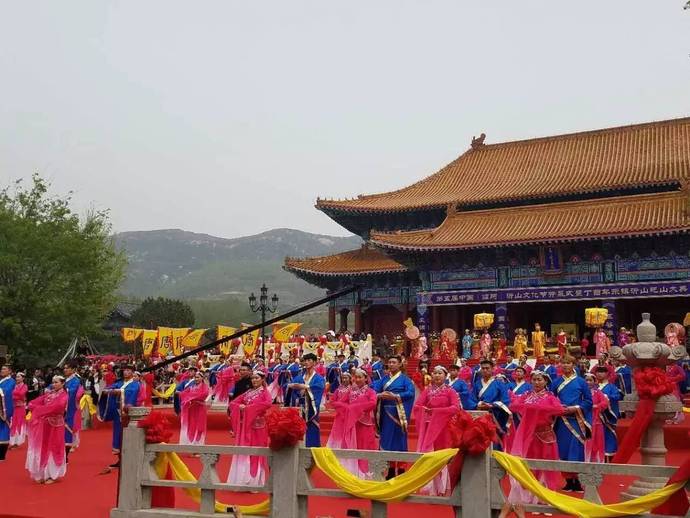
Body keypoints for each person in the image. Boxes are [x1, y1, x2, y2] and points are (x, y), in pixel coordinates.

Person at [499, 371, 563, 518]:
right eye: (534, 379)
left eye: (540, 379)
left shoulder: (550, 397)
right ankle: (530, 500)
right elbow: (514, 406)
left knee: (545, 468)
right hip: (528, 436)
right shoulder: (526, 395)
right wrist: (527, 407)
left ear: (546, 381)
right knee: (530, 468)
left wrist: (537, 408)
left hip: (545, 435)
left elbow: (559, 409)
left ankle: (545, 501)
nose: (536, 382)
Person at [414, 366, 461, 495]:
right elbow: (418, 405)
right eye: (434, 373)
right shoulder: (427, 391)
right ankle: (434, 487)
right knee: (432, 455)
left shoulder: (450, 391)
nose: (437, 375)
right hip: (430, 428)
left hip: (445, 428)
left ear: (445, 376)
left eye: (440, 373)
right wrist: (425, 411)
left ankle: (446, 487)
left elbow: (455, 408)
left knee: (444, 455)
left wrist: (436, 412)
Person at [551, 355, 592, 492]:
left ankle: (578, 482)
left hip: (577, 420)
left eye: (568, 363)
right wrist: (558, 408)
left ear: (573, 364)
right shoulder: (556, 382)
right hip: (561, 421)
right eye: (563, 362)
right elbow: (551, 400)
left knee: (576, 450)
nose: (565, 365)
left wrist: (575, 408)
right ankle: (568, 481)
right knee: (563, 450)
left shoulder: (581, 382)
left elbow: (588, 401)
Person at [227, 371, 272, 486]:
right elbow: (233, 403)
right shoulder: (248, 392)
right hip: (246, 427)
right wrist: (240, 407)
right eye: (252, 378)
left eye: (256, 378)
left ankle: (255, 482)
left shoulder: (265, 393)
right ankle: (242, 480)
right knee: (245, 451)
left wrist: (247, 409)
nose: (254, 380)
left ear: (262, 379)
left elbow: (267, 404)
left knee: (256, 453)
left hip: (258, 428)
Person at [375, 356, 415, 477]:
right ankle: (391, 469)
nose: (391, 364)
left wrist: (395, 396)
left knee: (400, 441)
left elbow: (410, 393)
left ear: (399, 365)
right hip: (386, 415)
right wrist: (379, 394)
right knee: (387, 440)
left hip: (399, 416)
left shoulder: (405, 380)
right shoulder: (383, 379)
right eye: (390, 362)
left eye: (394, 362)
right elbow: (374, 389)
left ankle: (402, 469)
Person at [98, 365, 143, 469]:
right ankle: (120, 459)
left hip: (128, 414)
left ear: (132, 372)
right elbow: (108, 389)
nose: (126, 372)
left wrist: (119, 391)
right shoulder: (120, 383)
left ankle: (130, 459)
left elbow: (131, 392)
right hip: (118, 413)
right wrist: (109, 391)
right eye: (125, 370)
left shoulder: (135, 384)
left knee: (128, 435)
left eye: (128, 370)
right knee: (118, 435)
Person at [25, 375, 69, 483]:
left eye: (56, 382)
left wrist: (38, 409)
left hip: (56, 426)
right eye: (53, 382)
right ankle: (43, 473)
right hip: (44, 425)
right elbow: (33, 402)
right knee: (43, 447)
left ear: (62, 383)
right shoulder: (49, 394)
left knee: (54, 447)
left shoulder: (64, 396)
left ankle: (51, 475)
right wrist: (35, 406)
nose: (54, 384)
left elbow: (56, 407)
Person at [285, 353, 325, 447]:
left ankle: (311, 455)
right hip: (299, 408)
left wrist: (306, 387)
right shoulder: (300, 377)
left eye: (309, 360)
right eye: (305, 361)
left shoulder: (318, 378)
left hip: (311, 409)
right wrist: (292, 387)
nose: (306, 362)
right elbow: (289, 386)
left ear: (315, 362)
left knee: (311, 431)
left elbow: (318, 389)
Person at [474, 359, 511, 450]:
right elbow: (471, 399)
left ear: (492, 369)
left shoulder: (499, 383)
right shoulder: (477, 383)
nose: (485, 370)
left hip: (495, 415)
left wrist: (492, 405)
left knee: (494, 441)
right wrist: (478, 404)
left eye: (487, 368)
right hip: (480, 415)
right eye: (483, 368)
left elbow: (505, 400)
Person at [179, 371, 210, 446]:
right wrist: (183, 395)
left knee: (199, 427)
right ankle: (190, 443)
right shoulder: (191, 387)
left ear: (202, 378)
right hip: (191, 409)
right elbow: (183, 394)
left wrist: (191, 397)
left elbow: (204, 395)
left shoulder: (205, 387)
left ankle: (197, 444)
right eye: (195, 377)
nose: (196, 379)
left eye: (198, 377)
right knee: (191, 425)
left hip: (200, 409)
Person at [584, 373, 607, 464]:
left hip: (596, 421)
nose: (588, 382)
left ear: (594, 382)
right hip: (584, 421)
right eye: (586, 380)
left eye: (590, 380)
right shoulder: (581, 392)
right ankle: (585, 460)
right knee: (586, 441)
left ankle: (597, 461)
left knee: (597, 442)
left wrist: (596, 406)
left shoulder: (598, 392)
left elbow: (605, 403)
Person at [63, 361, 84, 459]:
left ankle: (70, 443)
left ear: (73, 370)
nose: (65, 369)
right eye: (65, 368)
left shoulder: (76, 380)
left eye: (67, 368)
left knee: (70, 424)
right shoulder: (65, 380)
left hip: (71, 405)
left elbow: (72, 391)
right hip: (64, 404)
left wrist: (63, 390)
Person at [0, 365, 16, 461]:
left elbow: (7, 392)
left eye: (4, 369)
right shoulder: (1, 381)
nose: (2, 370)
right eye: (1, 369)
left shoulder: (11, 382)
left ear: (9, 371)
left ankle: (1, 455)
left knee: (4, 430)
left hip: (4, 410)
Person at [10, 372, 28, 448]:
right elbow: (13, 395)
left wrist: (14, 395)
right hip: (14, 407)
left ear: (23, 378)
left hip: (21, 408)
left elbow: (21, 394)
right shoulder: (15, 386)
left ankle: (18, 442)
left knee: (20, 424)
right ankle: (13, 441)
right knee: (14, 423)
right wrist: (16, 395)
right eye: (16, 377)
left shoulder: (25, 386)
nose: (17, 378)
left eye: (19, 377)